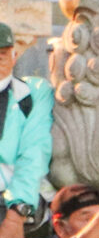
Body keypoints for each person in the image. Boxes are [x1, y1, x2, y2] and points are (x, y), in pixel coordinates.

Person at [0, 22, 54, 213]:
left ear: (14, 57)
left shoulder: (33, 93)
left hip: (10, 202)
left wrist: (18, 207)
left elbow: (34, 151)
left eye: (2, 54)